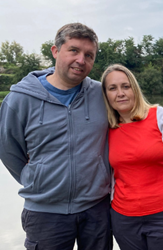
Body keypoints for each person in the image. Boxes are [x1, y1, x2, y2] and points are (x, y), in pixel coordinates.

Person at [0, 23, 112, 249]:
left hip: (97, 210)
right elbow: (8, 150)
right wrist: (36, 179)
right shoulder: (19, 99)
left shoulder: (103, 95)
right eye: (74, 50)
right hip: (45, 213)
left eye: (89, 55)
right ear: (55, 51)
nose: (81, 60)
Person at [100, 64, 163, 250]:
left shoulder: (159, 116)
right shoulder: (105, 129)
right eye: (112, 88)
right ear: (106, 95)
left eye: (126, 86)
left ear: (135, 88)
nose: (120, 93)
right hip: (125, 220)